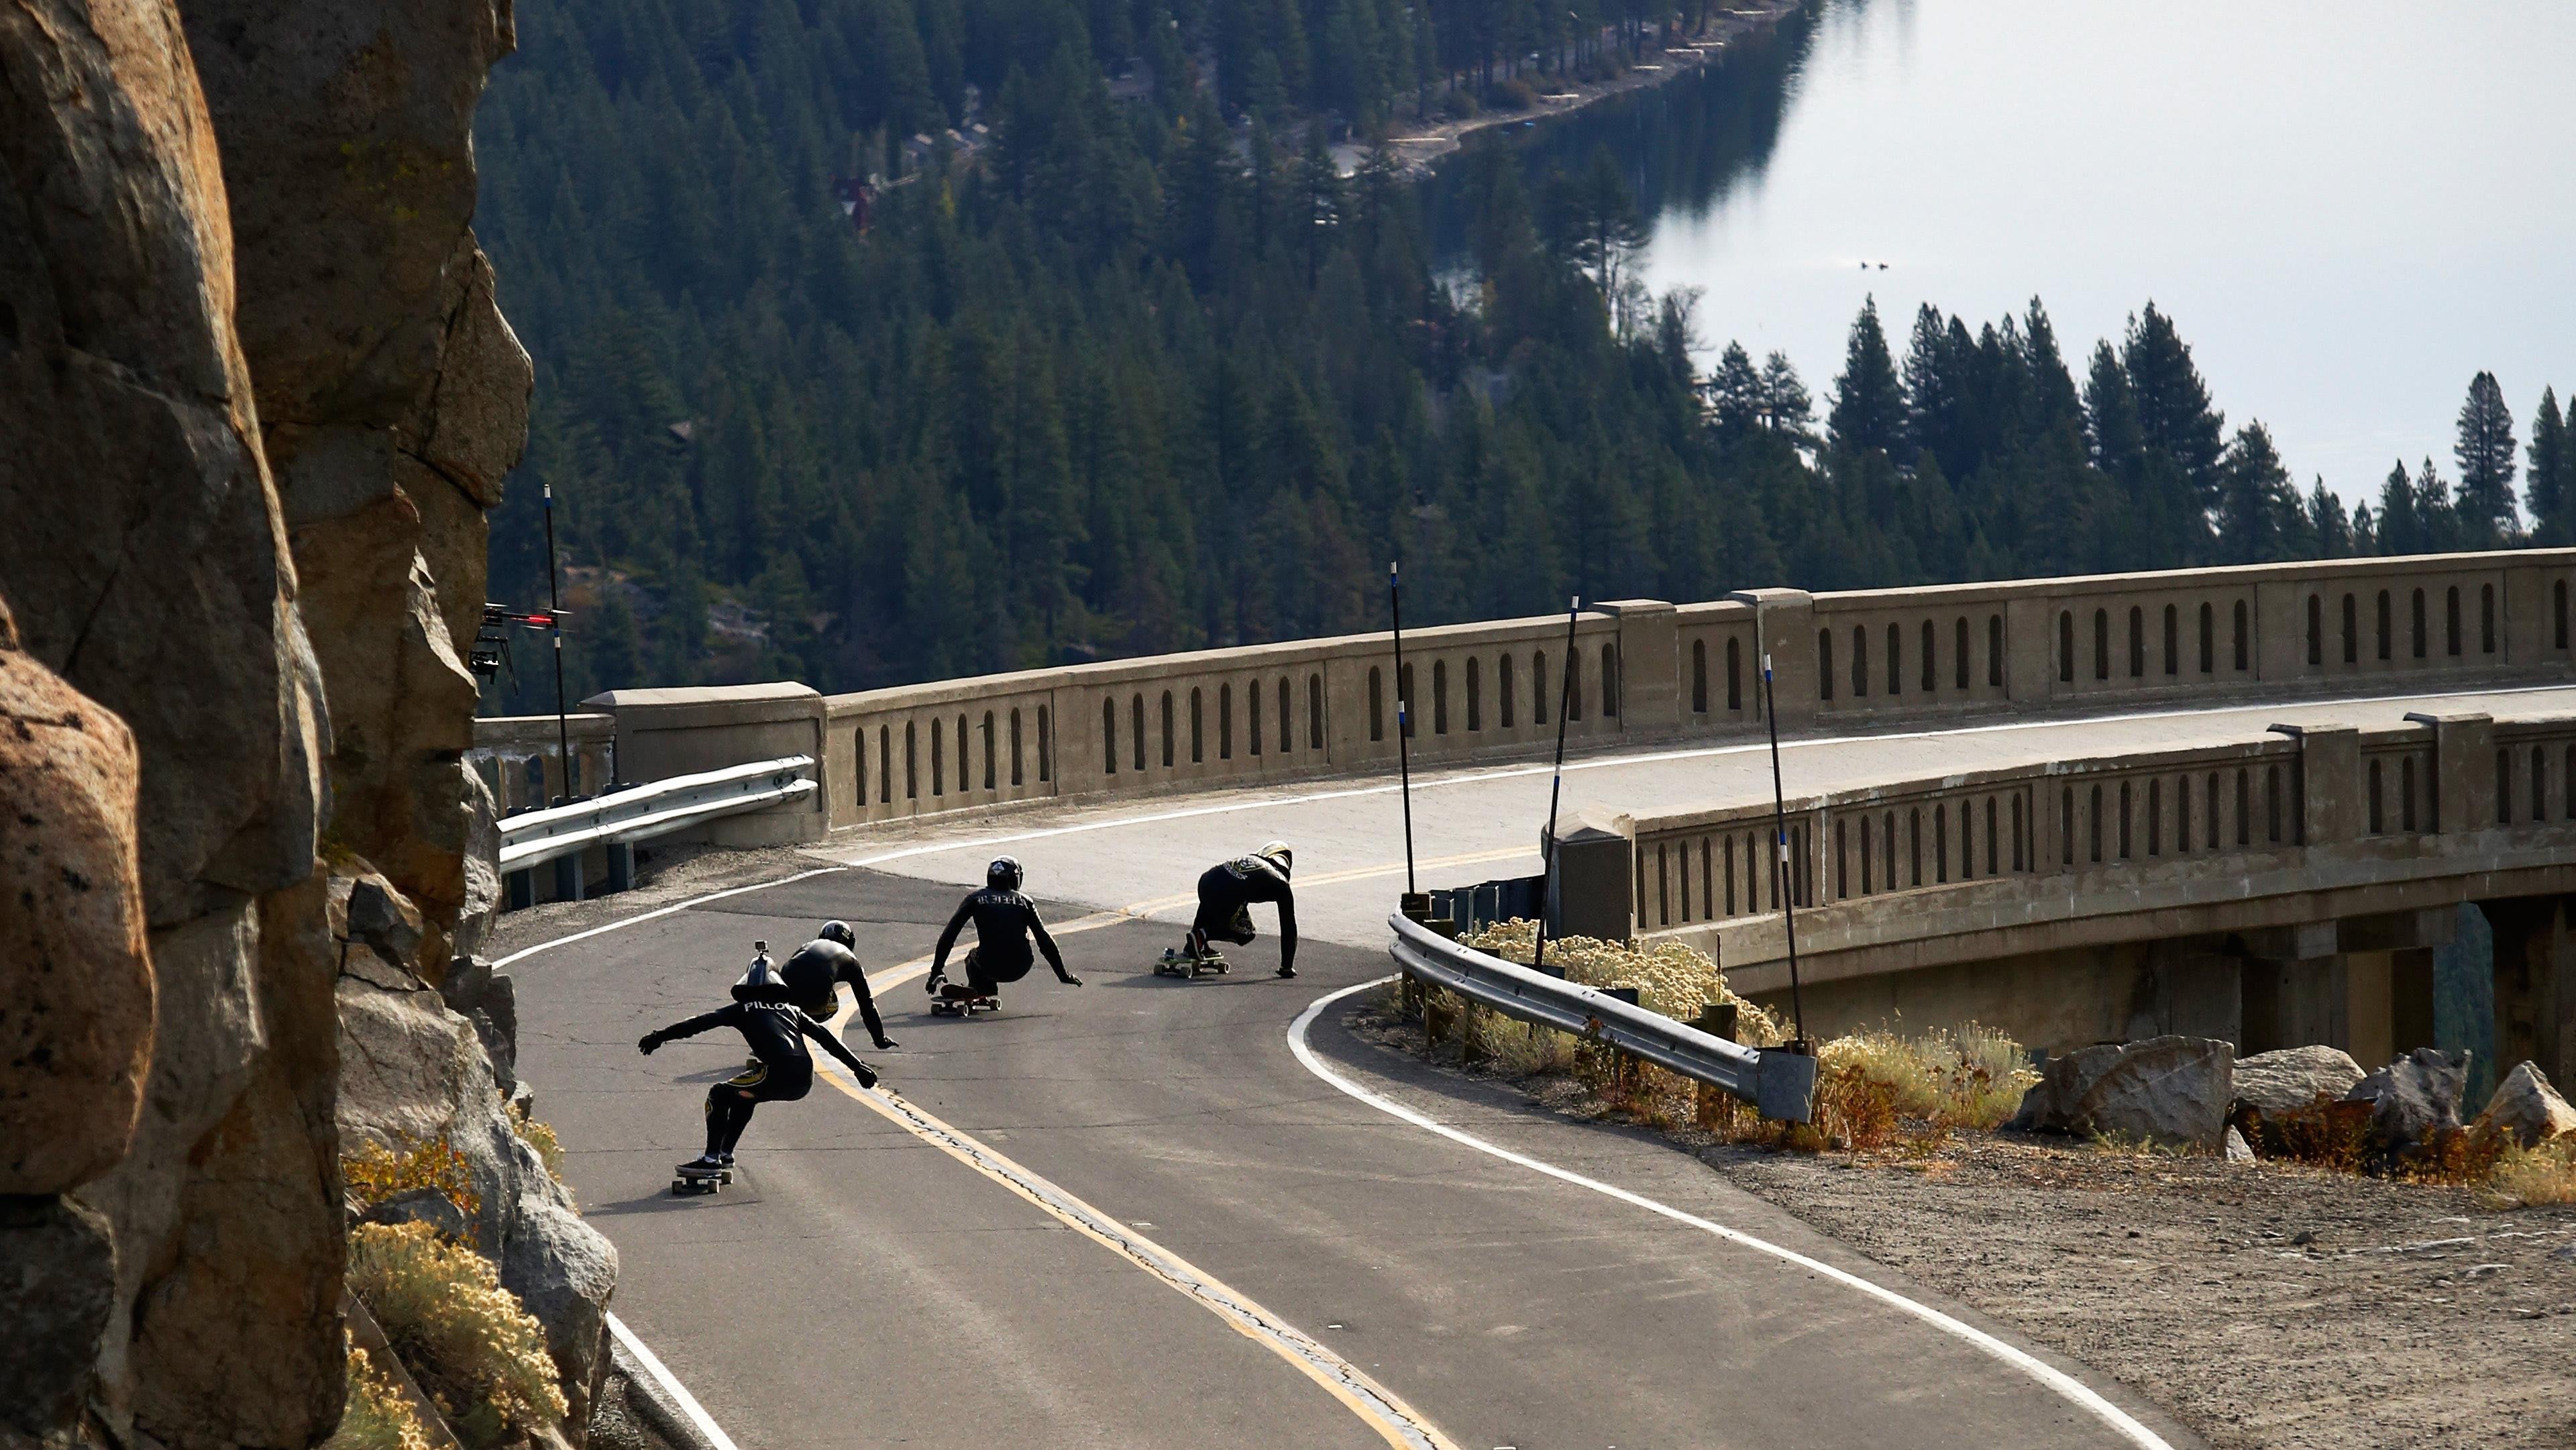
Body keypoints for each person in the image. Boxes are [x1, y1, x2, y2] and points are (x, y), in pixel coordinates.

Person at [639, 947, 879, 1177]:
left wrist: (660, 1036)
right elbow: (826, 1038)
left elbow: (699, 1023)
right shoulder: (791, 1009)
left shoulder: (743, 1009)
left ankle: (711, 1160)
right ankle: (726, 1152)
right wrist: (857, 1067)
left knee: (719, 1094)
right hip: (804, 1078)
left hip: (777, 1073)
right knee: (744, 1095)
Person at [926, 856, 1081, 1006]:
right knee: (994, 950)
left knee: (972, 955)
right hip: (1021, 965)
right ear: (1016, 878)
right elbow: (1045, 941)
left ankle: (979, 987)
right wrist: (1063, 974)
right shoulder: (1026, 902)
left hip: (988, 965)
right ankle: (983, 989)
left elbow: (949, 936)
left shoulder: (975, 898)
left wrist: (937, 970)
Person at [1179, 841, 1297, 978]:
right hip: (1230, 894)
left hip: (1206, 881)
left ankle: (1196, 944)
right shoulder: (1282, 883)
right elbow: (1289, 927)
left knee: (1213, 899)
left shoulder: (1250, 859)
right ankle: (1201, 937)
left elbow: (1220, 884)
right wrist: (1287, 967)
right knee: (1247, 933)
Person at [778, 920, 896, 1050]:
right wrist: (880, 1040)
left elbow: (791, 968)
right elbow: (867, 1005)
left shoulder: (809, 945)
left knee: (788, 1007)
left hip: (786, 977)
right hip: (816, 992)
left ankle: (781, 1036)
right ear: (850, 942)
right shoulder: (851, 960)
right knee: (832, 1004)